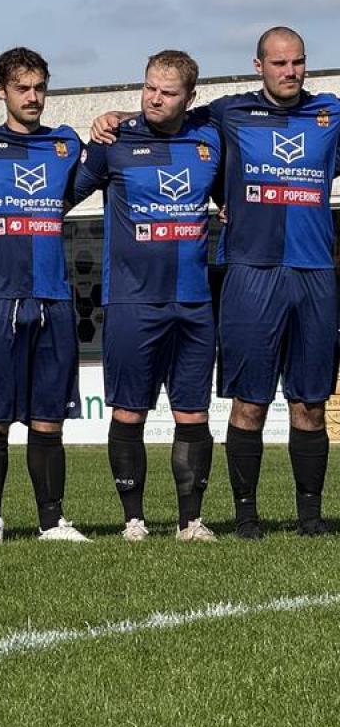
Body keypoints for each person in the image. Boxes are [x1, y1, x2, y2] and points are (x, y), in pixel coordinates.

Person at [92, 27, 340, 538]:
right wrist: (114, 118)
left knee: (311, 403)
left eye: (297, 62)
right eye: (278, 63)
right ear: (258, 66)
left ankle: (311, 519)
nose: (289, 72)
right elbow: (167, 117)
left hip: (315, 273)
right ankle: (245, 517)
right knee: (249, 401)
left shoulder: (331, 113)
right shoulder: (226, 114)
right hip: (250, 274)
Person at [73, 50, 221, 542]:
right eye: (149, 88)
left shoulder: (210, 139)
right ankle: (133, 520)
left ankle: (190, 521)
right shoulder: (114, 142)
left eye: (168, 92)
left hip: (194, 301)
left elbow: (233, 193)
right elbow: (61, 195)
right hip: (132, 301)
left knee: (193, 414)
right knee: (129, 411)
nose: (155, 99)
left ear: (190, 98)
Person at [0, 47, 87, 544]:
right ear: (1, 91)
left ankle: (52, 520)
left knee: (48, 418)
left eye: (39, 88)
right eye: (22, 88)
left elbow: (95, 174)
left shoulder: (64, 144)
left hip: (52, 296)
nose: (32, 98)